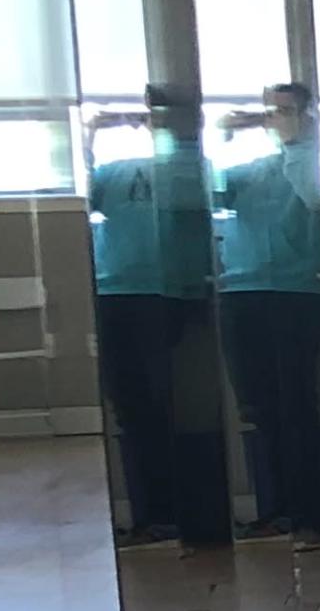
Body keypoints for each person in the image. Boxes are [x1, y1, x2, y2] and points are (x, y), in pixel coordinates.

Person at [86, 91, 229, 549]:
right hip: (113, 293)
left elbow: (189, 199)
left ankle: (175, 513)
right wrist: (89, 134)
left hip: (166, 295)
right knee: (129, 407)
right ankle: (146, 516)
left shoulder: (195, 167)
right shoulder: (114, 171)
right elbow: (84, 196)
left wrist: (167, 132)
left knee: (163, 403)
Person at [214, 82, 320, 542]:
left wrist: (295, 143)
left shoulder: (311, 162)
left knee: (296, 404)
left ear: (308, 116)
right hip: (240, 293)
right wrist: (220, 137)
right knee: (256, 406)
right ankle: (274, 511)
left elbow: (313, 197)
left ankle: (315, 517)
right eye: (270, 111)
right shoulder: (249, 171)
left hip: (297, 294)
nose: (275, 118)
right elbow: (203, 198)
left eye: (286, 111)